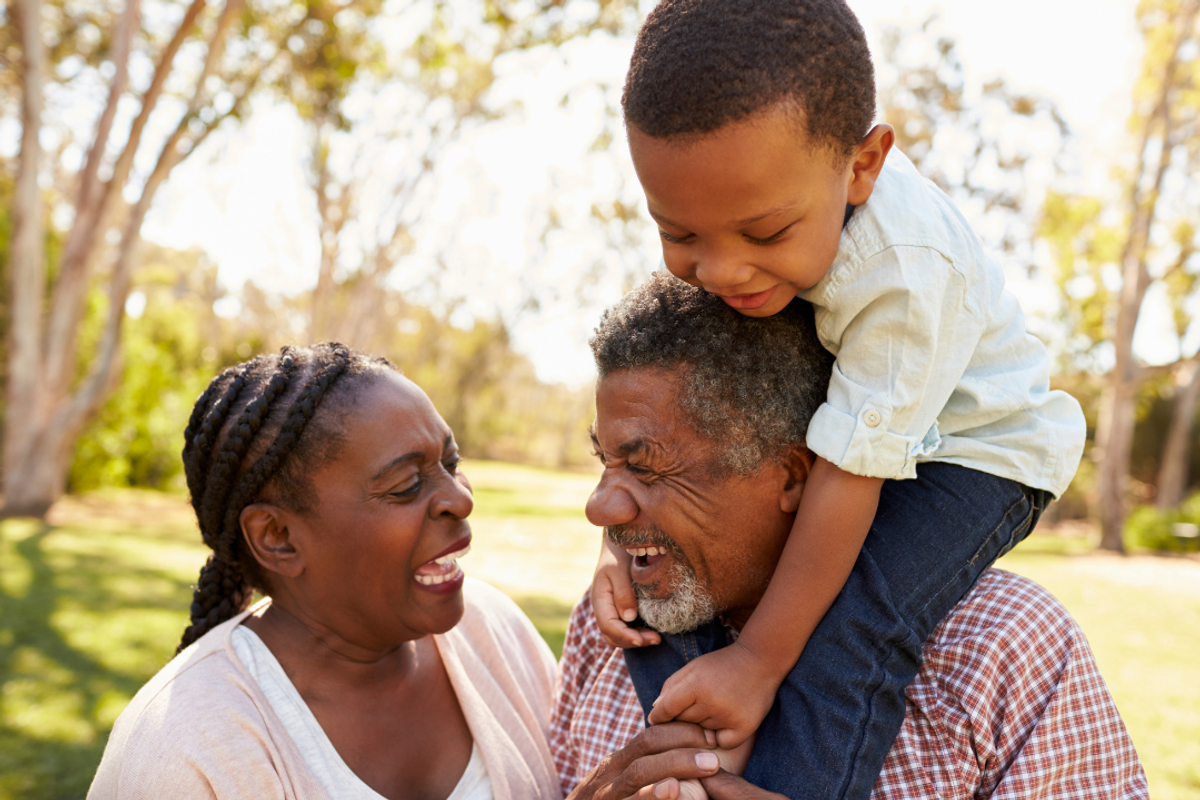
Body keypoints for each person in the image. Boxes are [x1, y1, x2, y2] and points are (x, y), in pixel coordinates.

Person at [590, 2, 1089, 797]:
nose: (720, 272)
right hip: (860, 437)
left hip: (975, 452)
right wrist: (626, 548)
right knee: (679, 595)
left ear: (863, 165)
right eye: (680, 234)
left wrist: (758, 663)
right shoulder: (774, 199)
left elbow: (849, 476)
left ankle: (789, 784)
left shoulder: (902, 273)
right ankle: (694, 767)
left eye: (761, 234)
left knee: (857, 620)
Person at [558, 273, 1146, 800]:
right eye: (603, 460)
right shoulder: (610, 621)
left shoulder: (1004, 648)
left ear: (793, 475)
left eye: (644, 465)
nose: (597, 508)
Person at [88, 343, 562, 800]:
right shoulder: (182, 751)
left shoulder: (496, 629)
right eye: (406, 485)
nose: (461, 499)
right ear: (277, 536)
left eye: (451, 463)